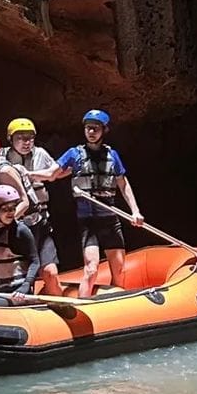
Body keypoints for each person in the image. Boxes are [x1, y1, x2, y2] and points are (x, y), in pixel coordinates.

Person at [35, 108, 144, 298]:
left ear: (104, 130)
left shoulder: (113, 155)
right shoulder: (74, 154)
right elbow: (51, 174)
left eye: (95, 128)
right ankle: (84, 306)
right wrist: (27, 174)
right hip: (88, 222)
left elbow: (123, 184)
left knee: (118, 269)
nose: (91, 132)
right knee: (91, 269)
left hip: (110, 220)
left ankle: (116, 305)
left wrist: (135, 211)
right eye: (88, 128)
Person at [0, 117, 63, 296]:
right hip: (16, 226)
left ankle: (60, 309)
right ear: (11, 139)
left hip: (40, 222)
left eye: (30, 137)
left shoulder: (40, 154)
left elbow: (58, 172)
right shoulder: (1, 157)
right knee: (23, 276)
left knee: (50, 272)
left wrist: (36, 175)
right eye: (21, 137)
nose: (27, 142)